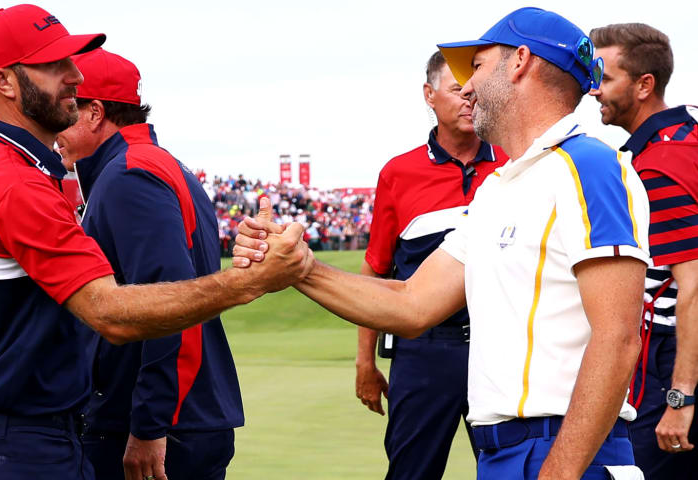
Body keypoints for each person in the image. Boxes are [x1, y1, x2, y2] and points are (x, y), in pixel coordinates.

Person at [236, 7, 650, 479]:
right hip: (506, 451)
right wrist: (299, 268)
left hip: (565, 452)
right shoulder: (500, 188)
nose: (467, 87)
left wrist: (558, 472)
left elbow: (617, 338)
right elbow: (412, 303)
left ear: (519, 61)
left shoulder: (591, 166)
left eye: (475, 67)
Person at [0, 5, 311, 480]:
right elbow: (108, 311)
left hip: (0, 436)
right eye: (54, 64)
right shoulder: (22, 182)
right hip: (25, 447)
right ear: (4, 81)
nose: (74, 74)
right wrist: (250, 282)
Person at [56, 48, 244, 480]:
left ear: (95, 113)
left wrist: (149, 425)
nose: (57, 124)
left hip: (160, 427)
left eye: (69, 107)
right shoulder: (154, 164)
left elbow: (170, 303)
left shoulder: (128, 175)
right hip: (178, 418)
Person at [355, 50, 508, 480]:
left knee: (509, 469)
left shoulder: (514, 165)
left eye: (475, 92)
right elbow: (377, 270)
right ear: (429, 94)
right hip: (423, 351)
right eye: (458, 91)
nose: (469, 101)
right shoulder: (398, 173)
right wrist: (365, 362)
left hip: (501, 347)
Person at [589, 23, 698, 478]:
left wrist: (680, 399)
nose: (594, 91)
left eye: (605, 78)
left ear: (644, 85)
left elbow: (692, 287)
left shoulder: (659, 164)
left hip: (675, 360)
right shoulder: (687, 134)